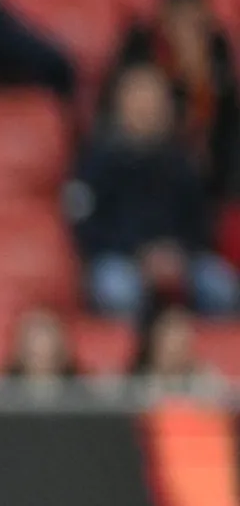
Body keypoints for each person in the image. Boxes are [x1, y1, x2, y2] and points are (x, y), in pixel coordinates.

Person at [67, 63, 238, 318]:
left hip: (180, 258)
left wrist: (179, 254)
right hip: (119, 258)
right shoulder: (96, 160)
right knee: (117, 291)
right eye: (139, 98)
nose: (147, 108)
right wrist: (138, 254)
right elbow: (85, 224)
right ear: (120, 104)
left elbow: (202, 222)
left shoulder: (182, 161)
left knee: (222, 288)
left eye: (154, 99)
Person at [102, 0, 239, 202]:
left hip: (209, 167)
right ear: (163, 13)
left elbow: (228, 115)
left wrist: (202, 80)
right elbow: (124, 107)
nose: (185, 24)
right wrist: (179, 79)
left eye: (193, 13)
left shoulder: (216, 45)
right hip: (148, 156)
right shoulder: (141, 43)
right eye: (179, 13)